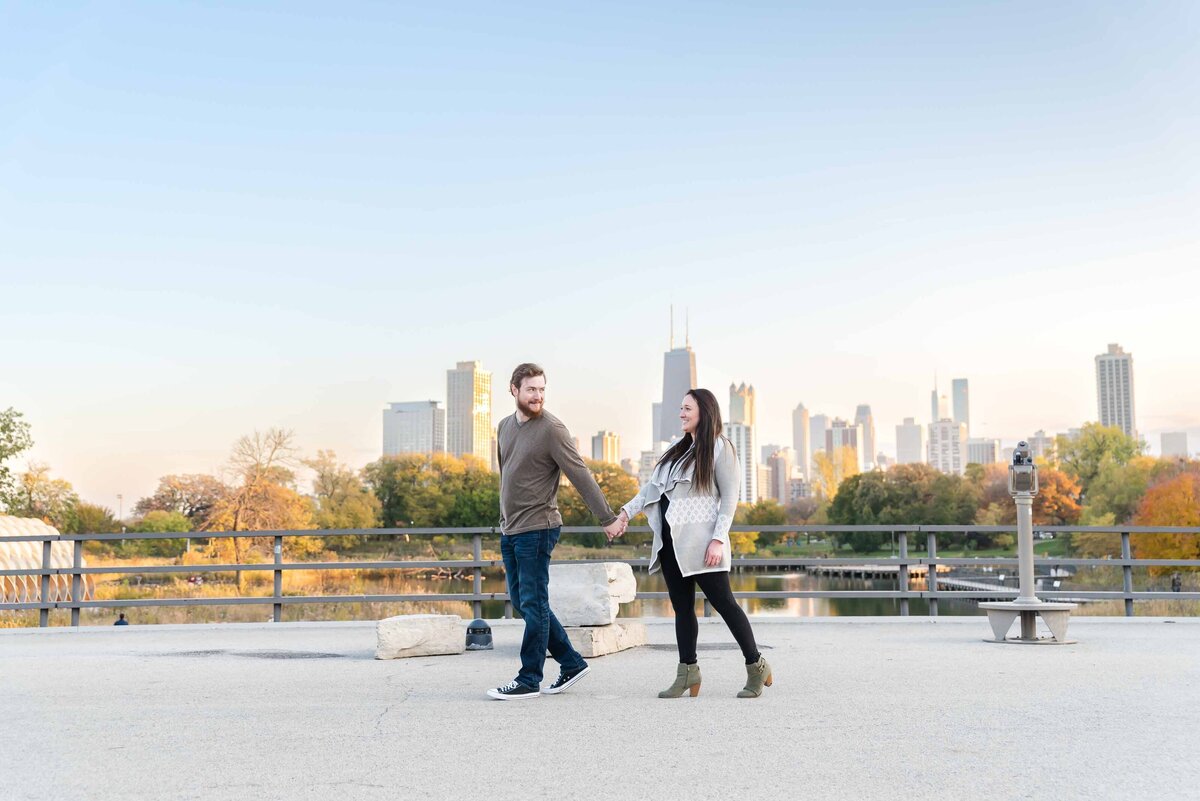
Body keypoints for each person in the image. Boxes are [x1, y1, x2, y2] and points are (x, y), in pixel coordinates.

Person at [613, 388, 773, 698]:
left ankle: (756, 666)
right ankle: (687, 671)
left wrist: (717, 539)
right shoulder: (677, 449)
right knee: (682, 608)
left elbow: (729, 498)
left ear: (704, 411)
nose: (682, 413)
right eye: (681, 408)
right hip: (672, 543)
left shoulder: (720, 448)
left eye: (687, 408)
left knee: (725, 604)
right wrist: (624, 514)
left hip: (703, 545)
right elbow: (651, 490)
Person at [487, 363, 624, 700]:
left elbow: (580, 474)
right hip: (512, 530)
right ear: (514, 389)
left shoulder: (552, 429)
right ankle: (572, 662)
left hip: (539, 527)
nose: (538, 396)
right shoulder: (504, 427)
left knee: (534, 603)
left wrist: (606, 517)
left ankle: (529, 678)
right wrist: (504, 521)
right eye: (531, 389)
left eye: (542, 390)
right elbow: (507, 478)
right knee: (523, 602)